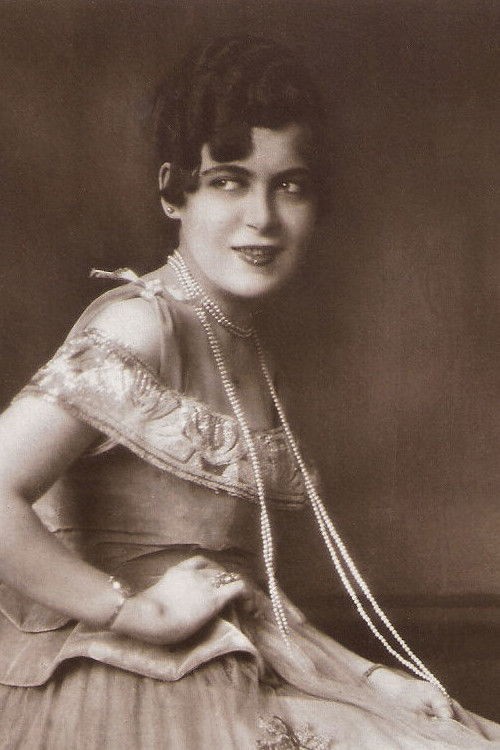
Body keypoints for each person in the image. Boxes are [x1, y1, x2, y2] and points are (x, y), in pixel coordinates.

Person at [0, 35, 498, 750]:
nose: (262, 218)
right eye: (229, 181)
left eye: (289, 185)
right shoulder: (143, 326)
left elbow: (243, 586)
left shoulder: (248, 352)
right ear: (174, 192)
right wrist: (131, 613)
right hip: (133, 690)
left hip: (237, 665)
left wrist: (370, 677)